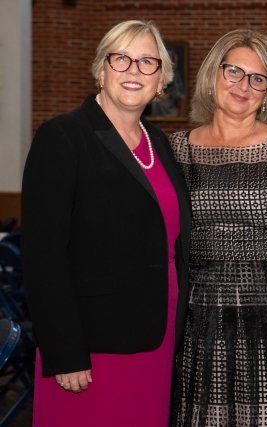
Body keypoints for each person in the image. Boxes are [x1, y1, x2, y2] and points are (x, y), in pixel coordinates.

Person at [21, 20, 190, 427]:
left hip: (157, 338)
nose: (134, 71)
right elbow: (43, 257)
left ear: (162, 80)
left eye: (148, 62)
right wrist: (64, 351)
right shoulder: (63, 137)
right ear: (102, 69)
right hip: (90, 348)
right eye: (122, 59)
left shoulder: (161, 143)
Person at [169, 29, 267, 426]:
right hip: (197, 327)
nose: (243, 85)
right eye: (234, 71)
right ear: (213, 75)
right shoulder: (176, 149)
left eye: (257, 78)